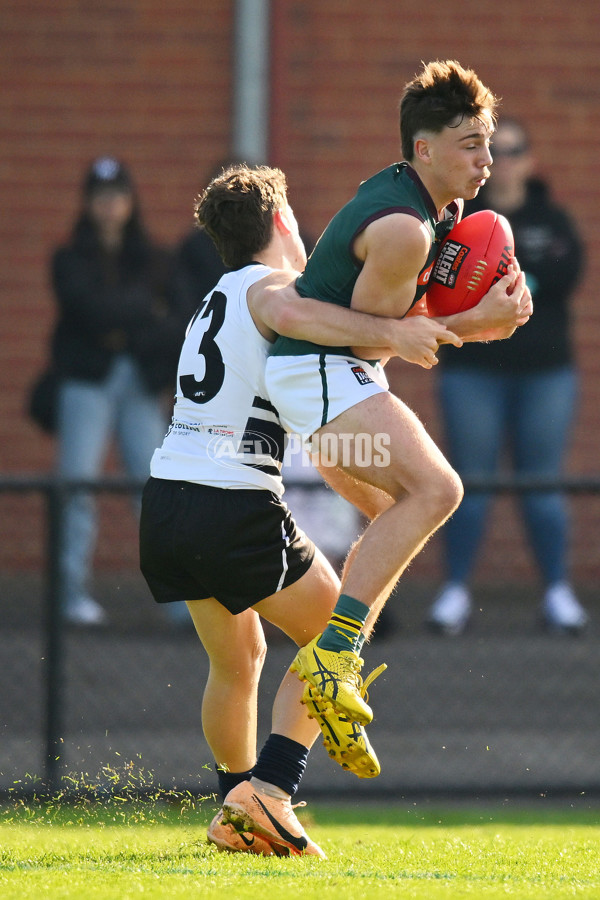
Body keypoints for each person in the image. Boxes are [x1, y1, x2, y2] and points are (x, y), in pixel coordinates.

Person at [139, 164, 448, 857]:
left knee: (240, 659)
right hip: (230, 501)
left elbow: (319, 438)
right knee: (335, 638)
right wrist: (396, 334)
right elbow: (294, 314)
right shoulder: (273, 286)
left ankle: (232, 805)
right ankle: (271, 789)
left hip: (166, 502)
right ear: (282, 222)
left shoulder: (214, 296)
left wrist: (379, 508)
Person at [263, 60, 532, 725]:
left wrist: (482, 305)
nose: (487, 160)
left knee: (394, 519)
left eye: (488, 144)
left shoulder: (441, 209)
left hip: (330, 378)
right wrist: (470, 326)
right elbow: (367, 341)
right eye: (471, 145)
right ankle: (334, 660)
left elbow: (386, 334)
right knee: (438, 491)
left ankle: (291, 748)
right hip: (322, 373)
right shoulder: (403, 230)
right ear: (424, 148)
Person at [427, 117, 588, 636]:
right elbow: (439, 282)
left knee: (542, 484)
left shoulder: (553, 220)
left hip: (545, 374)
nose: (505, 160)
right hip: (473, 370)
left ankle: (557, 593)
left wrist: (509, 279)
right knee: (467, 483)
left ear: (530, 160)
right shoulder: (459, 219)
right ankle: (454, 592)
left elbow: (567, 274)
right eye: (496, 150)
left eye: (516, 149)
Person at [50, 157, 187, 626]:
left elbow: (175, 317)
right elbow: (88, 308)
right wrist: (141, 310)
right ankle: (69, 596)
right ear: (88, 204)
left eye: (118, 196)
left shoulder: (153, 257)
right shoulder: (69, 258)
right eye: (101, 197)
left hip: (138, 382)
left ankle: (178, 603)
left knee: (153, 490)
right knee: (76, 487)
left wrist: (132, 317)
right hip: (87, 381)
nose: (110, 206)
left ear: (131, 202)